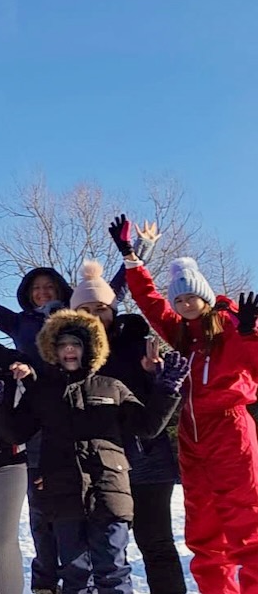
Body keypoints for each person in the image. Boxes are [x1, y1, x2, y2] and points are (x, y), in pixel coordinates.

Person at [0, 229, 157, 594]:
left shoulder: (77, 321)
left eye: (50, 287)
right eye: (37, 289)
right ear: (28, 295)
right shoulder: (21, 323)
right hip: (40, 416)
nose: (44, 293)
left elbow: (111, 294)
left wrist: (138, 250)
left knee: (98, 510)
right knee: (46, 512)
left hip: (85, 415)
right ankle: (46, 582)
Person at [0, 309, 185, 594]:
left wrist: (166, 390)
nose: (69, 350)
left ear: (90, 348)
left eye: (76, 344)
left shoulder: (113, 387)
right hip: (62, 494)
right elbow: (16, 432)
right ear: (52, 350)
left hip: (109, 491)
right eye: (63, 345)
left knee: (113, 570)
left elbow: (147, 426)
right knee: (75, 573)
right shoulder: (43, 391)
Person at [113, 215, 258, 593]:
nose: (184, 303)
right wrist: (131, 257)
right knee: (204, 532)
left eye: (190, 296)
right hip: (193, 440)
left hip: (230, 431)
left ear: (205, 296)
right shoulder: (181, 334)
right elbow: (149, 301)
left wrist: (252, 334)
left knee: (247, 525)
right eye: (179, 299)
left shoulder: (231, 329)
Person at [69, 258, 185, 593]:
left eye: (102, 307)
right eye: (86, 308)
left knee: (156, 544)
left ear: (113, 310)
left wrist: (156, 376)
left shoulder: (139, 346)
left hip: (146, 460)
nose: (95, 315)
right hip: (97, 465)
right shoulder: (67, 353)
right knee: (102, 553)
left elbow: (157, 410)